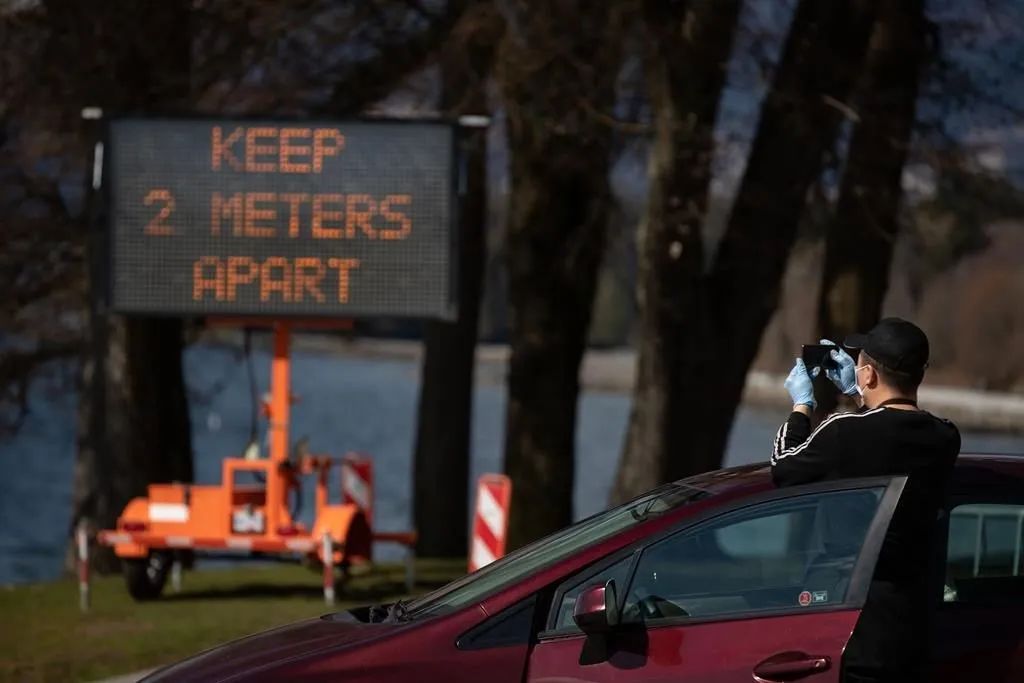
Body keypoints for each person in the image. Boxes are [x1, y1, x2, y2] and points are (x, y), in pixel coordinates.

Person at [770, 317, 960, 683]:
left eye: (860, 365)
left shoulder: (843, 432)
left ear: (870, 375)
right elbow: (890, 433)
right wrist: (861, 396)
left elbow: (783, 466)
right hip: (913, 620)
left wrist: (801, 406)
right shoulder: (945, 437)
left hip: (854, 619)